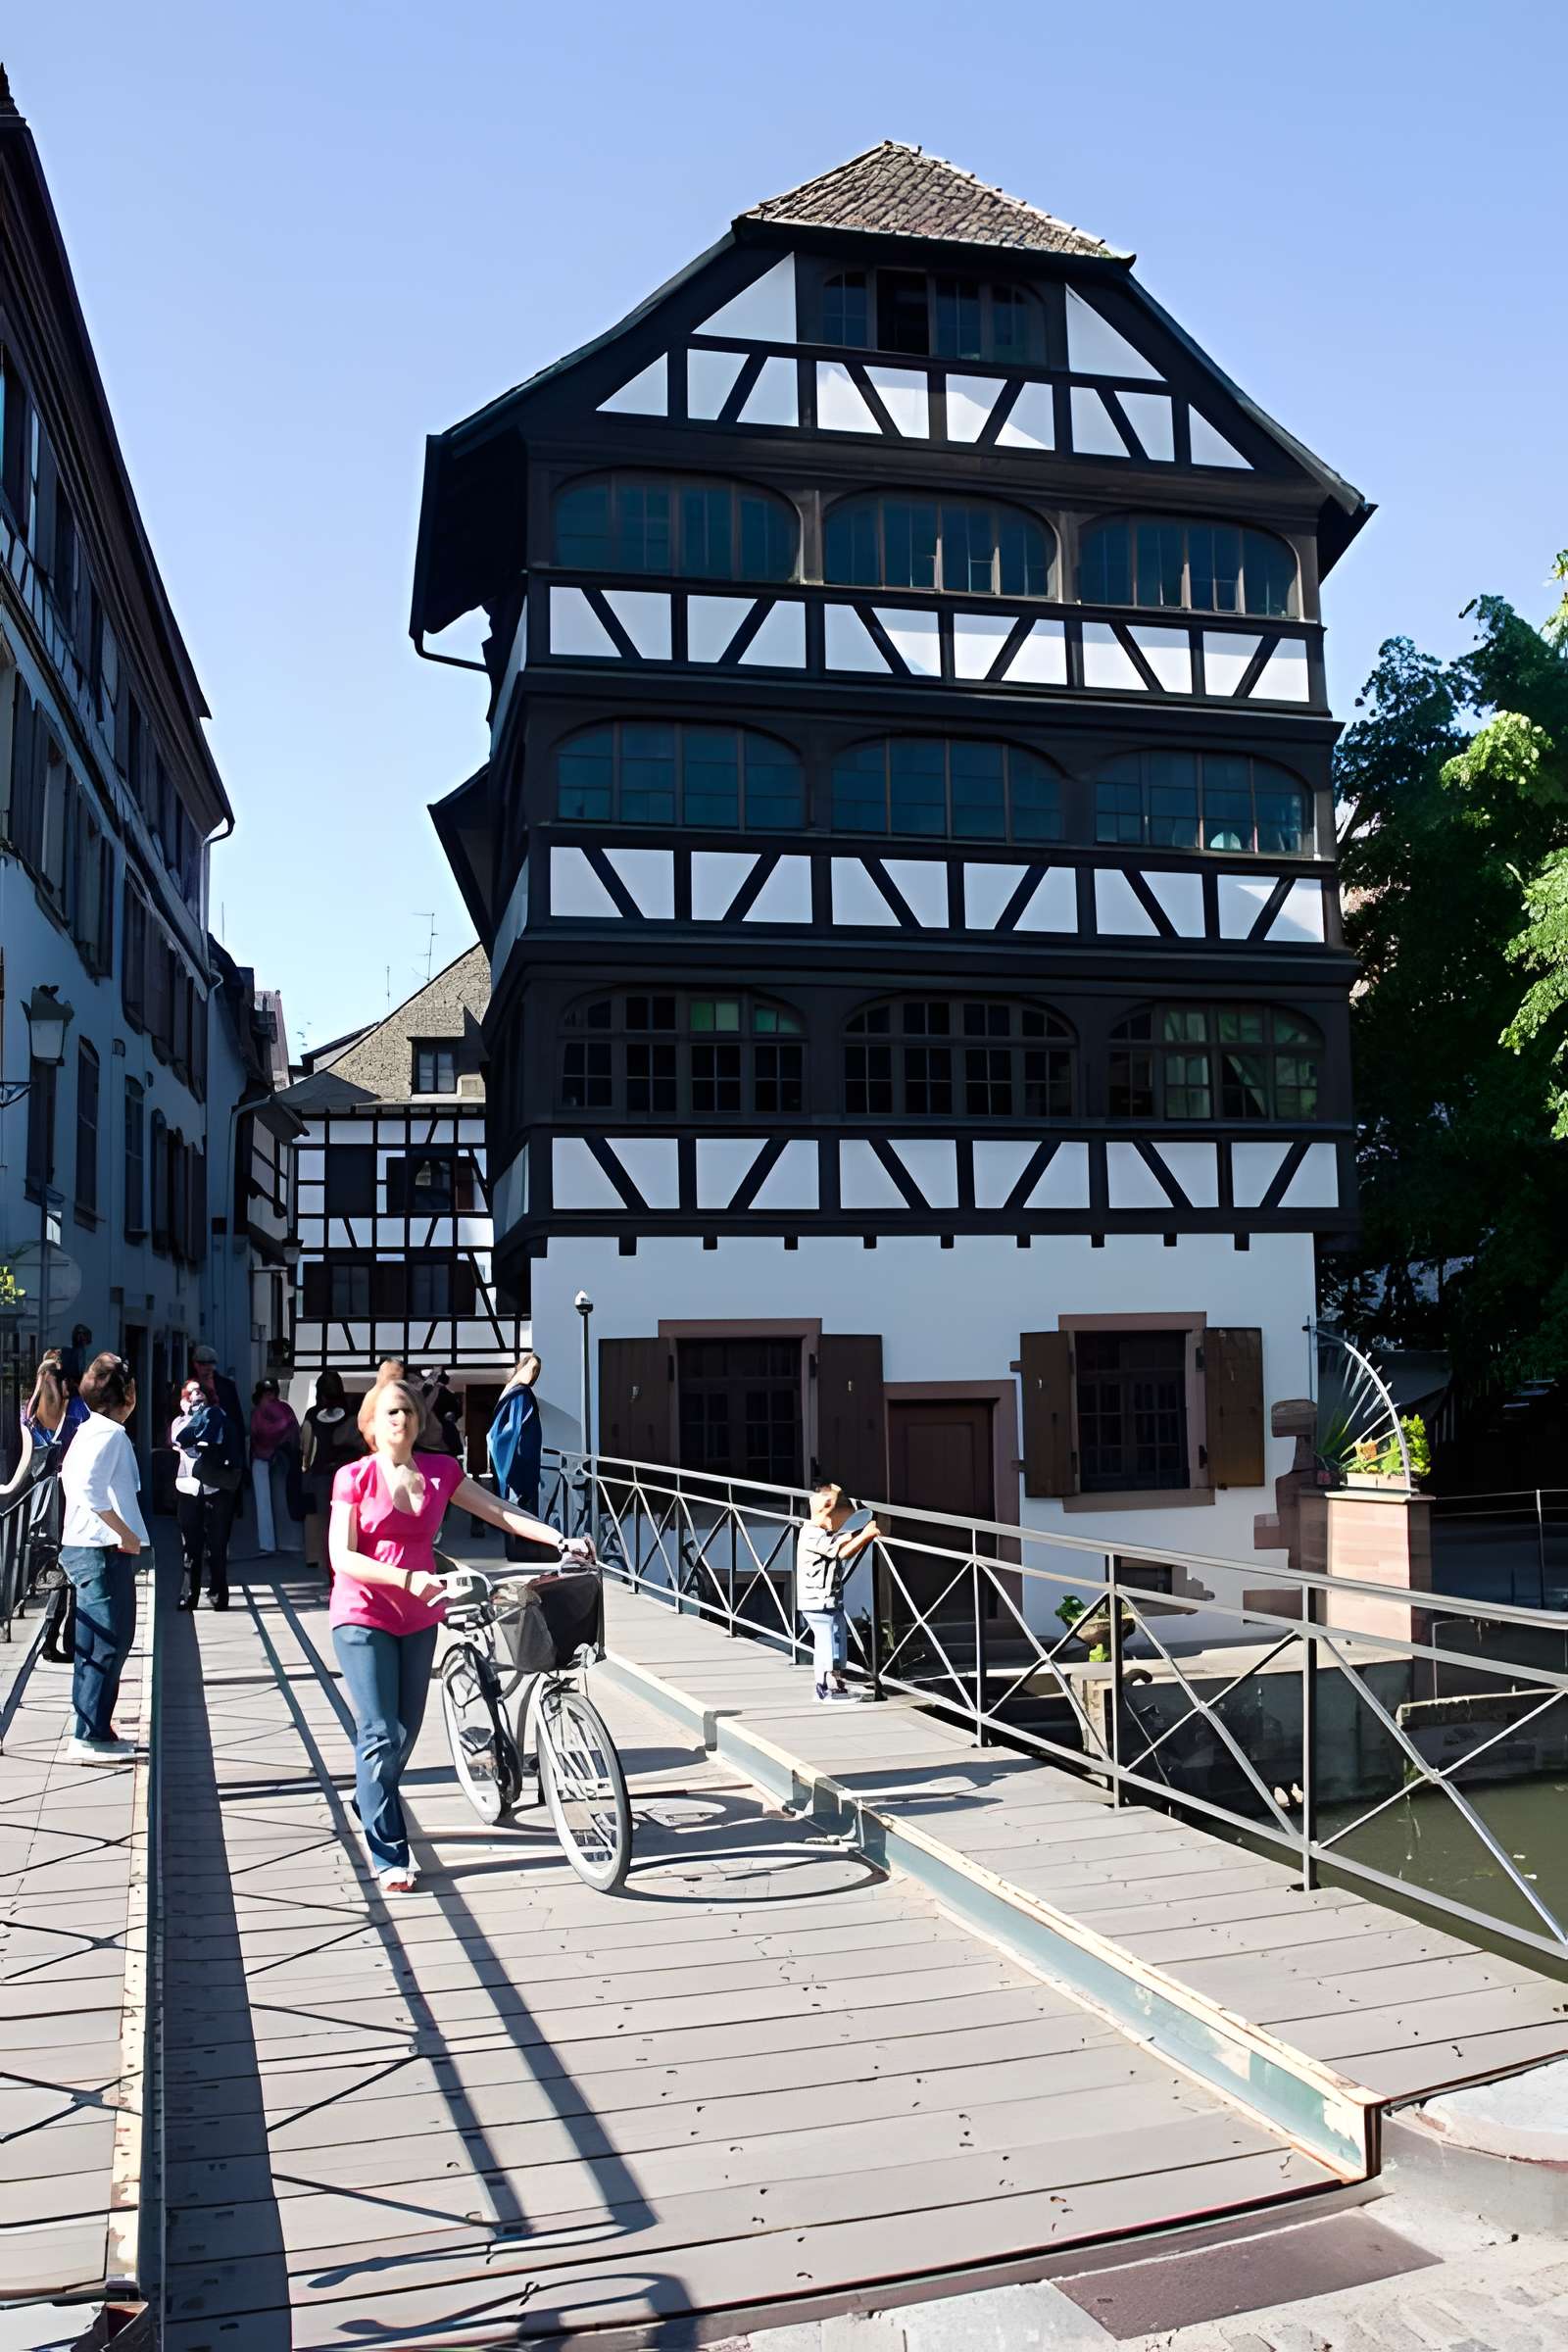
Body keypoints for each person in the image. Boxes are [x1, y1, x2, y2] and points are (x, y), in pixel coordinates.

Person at [329, 1374, 586, 1894]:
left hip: (420, 1618)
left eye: (409, 1411)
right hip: (362, 1614)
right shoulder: (353, 1478)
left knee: (403, 1733)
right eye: (391, 1412)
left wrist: (560, 1539)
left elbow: (500, 1512)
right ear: (371, 1425)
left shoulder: (441, 1471)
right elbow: (342, 1556)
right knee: (379, 1733)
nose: (401, 1419)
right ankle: (390, 1854)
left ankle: (370, 1794)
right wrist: (406, 1578)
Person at [58, 1352, 147, 1763]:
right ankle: (90, 1734)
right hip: (101, 1548)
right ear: (126, 1395)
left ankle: (94, 1730)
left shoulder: (90, 1430)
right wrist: (126, 1533)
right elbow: (90, 1490)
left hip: (88, 1545)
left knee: (96, 1641)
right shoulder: (111, 1435)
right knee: (109, 1641)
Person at [2, 1353, 90, 1665]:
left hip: (43, 1495)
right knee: (75, 1569)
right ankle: (69, 1639)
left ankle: (51, 1638)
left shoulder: (29, 1413)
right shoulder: (77, 1411)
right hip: (70, 1493)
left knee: (55, 1568)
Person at [796, 1480, 881, 1705]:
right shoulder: (812, 1535)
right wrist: (867, 1535)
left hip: (824, 1600)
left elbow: (841, 1540)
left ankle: (830, 1686)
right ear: (828, 1512)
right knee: (830, 1646)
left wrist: (857, 1533)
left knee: (831, 1641)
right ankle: (828, 1689)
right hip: (819, 1601)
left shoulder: (816, 1532)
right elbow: (842, 1553)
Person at [172, 1378, 243, 1610]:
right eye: (190, 1394)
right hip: (189, 1488)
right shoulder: (180, 1422)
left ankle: (218, 1593)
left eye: (200, 1394)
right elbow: (181, 1442)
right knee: (190, 1547)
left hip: (217, 1489)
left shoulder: (221, 1420)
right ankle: (189, 1594)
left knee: (217, 1546)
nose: (196, 1399)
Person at [299, 1371, 364, 1569]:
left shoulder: (312, 1415)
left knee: (321, 1519)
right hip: (349, 1474)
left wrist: (305, 1467)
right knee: (349, 1519)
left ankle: (319, 1558)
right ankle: (349, 1556)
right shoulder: (353, 1414)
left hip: (320, 1473)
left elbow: (306, 1446)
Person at [488, 1352, 547, 1563]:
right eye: (531, 1368)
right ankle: (522, 1553)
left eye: (536, 1371)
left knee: (516, 1506)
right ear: (521, 1368)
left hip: (520, 1459)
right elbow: (510, 1432)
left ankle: (519, 1551)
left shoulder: (514, 1392)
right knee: (519, 1506)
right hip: (519, 1461)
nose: (533, 1374)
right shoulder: (520, 1394)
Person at [249, 1380, 301, 1557]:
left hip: (265, 1458)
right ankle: (279, 1542)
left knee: (265, 1501)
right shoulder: (285, 1410)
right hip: (280, 1457)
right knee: (280, 1499)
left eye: (272, 1392)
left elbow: (261, 1433)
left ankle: (268, 1544)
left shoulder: (259, 1412)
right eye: (268, 1392)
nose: (270, 1396)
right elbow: (293, 1432)